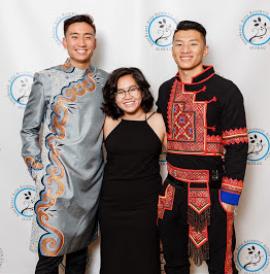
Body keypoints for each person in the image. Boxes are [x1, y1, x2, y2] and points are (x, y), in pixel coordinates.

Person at [157, 20, 248, 274]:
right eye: (179, 44)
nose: (185, 49)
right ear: (172, 49)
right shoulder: (165, 90)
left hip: (212, 190)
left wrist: (230, 195)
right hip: (172, 191)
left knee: (222, 267)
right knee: (173, 264)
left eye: (193, 43)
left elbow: (238, 145)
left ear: (205, 49)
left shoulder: (226, 90)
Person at [20, 14, 108, 274]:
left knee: (79, 259)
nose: (82, 42)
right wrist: (38, 172)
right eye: (75, 36)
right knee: (49, 259)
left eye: (87, 36)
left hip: (92, 184)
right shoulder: (46, 79)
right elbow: (28, 130)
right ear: (64, 41)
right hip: (56, 184)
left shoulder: (107, 80)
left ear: (95, 42)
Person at [99, 67, 166, 274]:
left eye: (132, 89)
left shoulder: (157, 120)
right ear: (113, 96)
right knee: (114, 262)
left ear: (142, 90)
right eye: (120, 91)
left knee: (145, 261)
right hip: (112, 205)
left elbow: (182, 156)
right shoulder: (108, 120)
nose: (127, 96)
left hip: (147, 205)